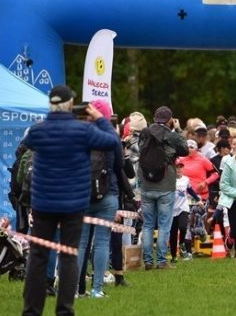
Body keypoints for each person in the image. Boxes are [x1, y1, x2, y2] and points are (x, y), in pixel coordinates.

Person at [21, 85, 121, 316]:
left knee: (38, 257)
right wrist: (99, 118)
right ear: (70, 104)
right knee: (69, 256)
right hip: (73, 204)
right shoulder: (83, 130)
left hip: (43, 203)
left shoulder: (38, 131)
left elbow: (28, 143)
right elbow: (113, 142)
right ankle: (65, 312)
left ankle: (31, 313)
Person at [75, 99, 127, 298]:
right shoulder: (110, 136)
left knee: (80, 242)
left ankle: (75, 290)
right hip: (108, 193)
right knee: (102, 242)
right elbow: (120, 164)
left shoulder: (80, 134)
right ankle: (97, 289)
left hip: (82, 194)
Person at [138, 106, 188, 270]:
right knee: (164, 225)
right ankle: (161, 261)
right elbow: (185, 150)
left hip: (146, 184)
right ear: (170, 120)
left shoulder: (144, 132)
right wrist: (179, 129)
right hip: (166, 185)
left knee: (147, 225)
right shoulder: (171, 135)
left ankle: (147, 261)